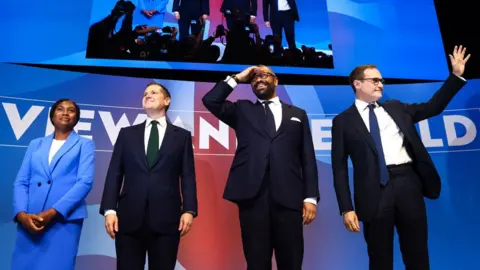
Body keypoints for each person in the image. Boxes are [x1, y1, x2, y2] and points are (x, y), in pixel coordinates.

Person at [331, 45, 471, 270]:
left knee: (417, 255)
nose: (380, 84)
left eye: (381, 80)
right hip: (373, 192)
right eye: (374, 80)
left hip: (408, 184)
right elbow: (338, 168)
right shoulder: (343, 121)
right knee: (380, 258)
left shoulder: (395, 107)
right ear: (357, 84)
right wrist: (346, 208)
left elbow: (433, 107)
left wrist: (455, 76)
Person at [202, 65, 319, 269]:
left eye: (264, 75)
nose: (258, 79)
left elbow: (307, 157)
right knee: (256, 261)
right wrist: (238, 78)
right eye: (254, 77)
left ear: (276, 80)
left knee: (291, 261)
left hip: (289, 196)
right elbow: (210, 100)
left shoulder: (298, 114)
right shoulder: (242, 109)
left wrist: (310, 197)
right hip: (252, 196)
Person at [100, 82, 197, 270]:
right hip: (128, 219)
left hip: (167, 220)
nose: (147, 95)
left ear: (167, 100)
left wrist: (189, 210)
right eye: (145, 93)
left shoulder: (182, 136)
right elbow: (115, 172)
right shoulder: (127, 134)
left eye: (154, 92)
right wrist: (109, 210)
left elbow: (187, 175)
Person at [11, 98, 96, 270]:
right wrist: (21, 215)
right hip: (30, 219)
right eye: (60, 109)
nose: (65, 113)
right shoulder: (36, 144)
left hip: (63, 221)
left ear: (77, 117)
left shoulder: (84, 144)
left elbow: (85, 182)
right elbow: (21, 181)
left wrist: (52, 213)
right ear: (52, 115)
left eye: (71, 110)